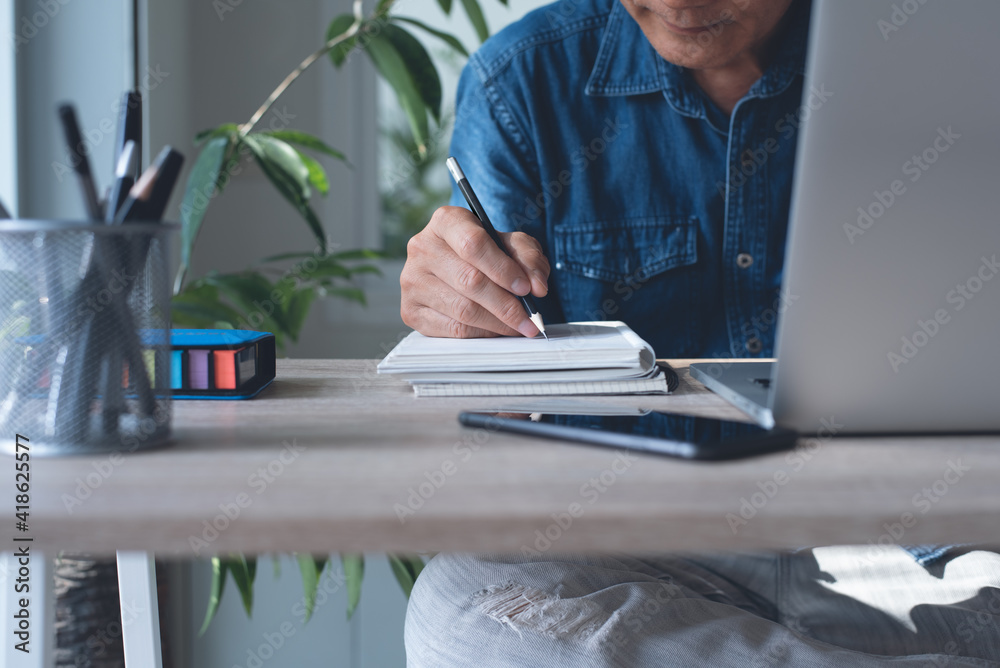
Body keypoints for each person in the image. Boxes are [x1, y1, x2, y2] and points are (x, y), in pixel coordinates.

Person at [399, 0, 1000, 665]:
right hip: (636, 546)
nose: (680, 4)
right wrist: (458, 307)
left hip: (907, 538)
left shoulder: (937, 57)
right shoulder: (521, 79)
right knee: (458, 608)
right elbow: (492, 377)